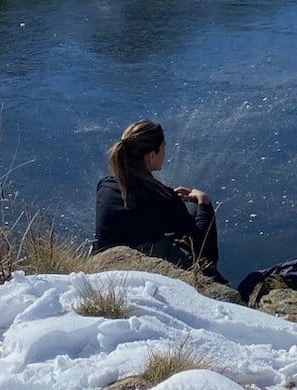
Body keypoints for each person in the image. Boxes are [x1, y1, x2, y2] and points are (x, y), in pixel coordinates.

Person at [92, 120, 222, 282]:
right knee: (196, 208)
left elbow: (136, 211)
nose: (165, 154)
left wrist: (171, 205)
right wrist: (203, 202)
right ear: (151, 155)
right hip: (139, 271)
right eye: (163, 148)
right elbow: (199, 240)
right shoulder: (163, 197)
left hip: (102, 266)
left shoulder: (106, 186)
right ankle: (208, 276)